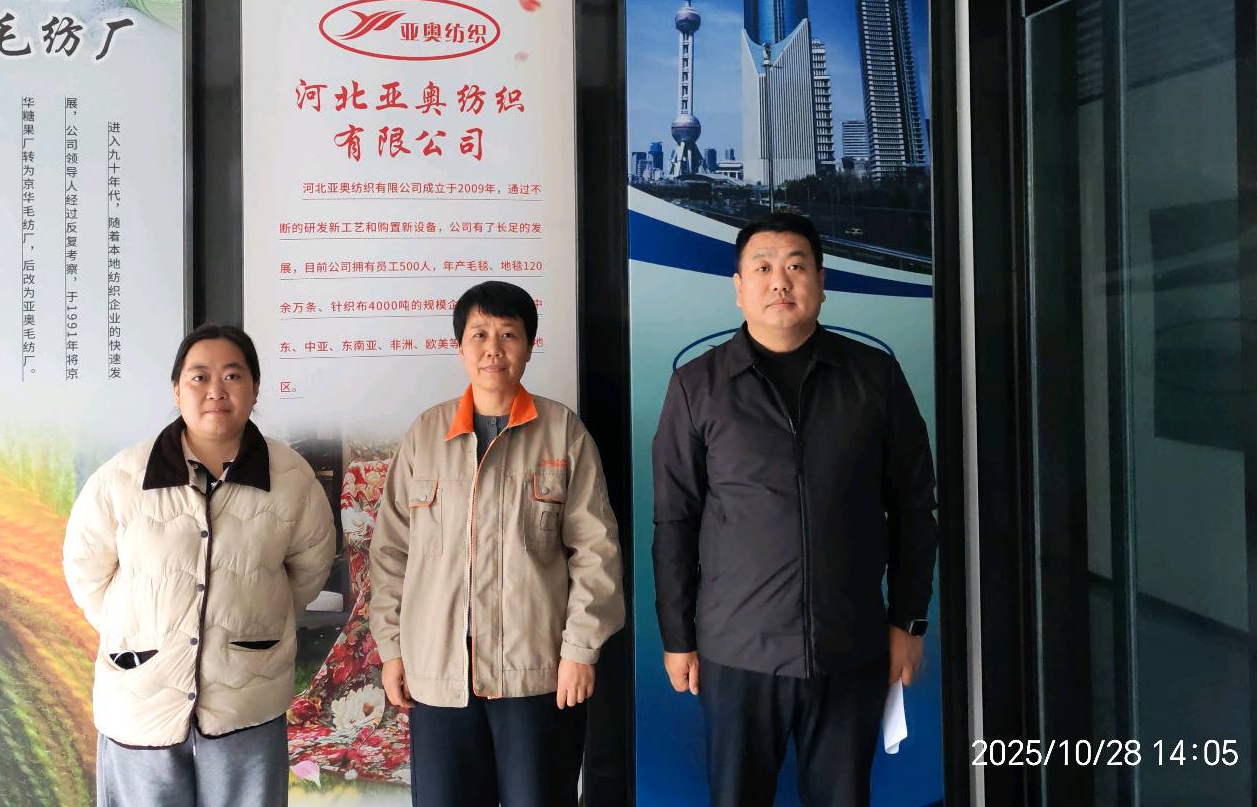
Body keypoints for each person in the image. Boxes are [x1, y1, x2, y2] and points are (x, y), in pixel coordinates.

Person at [652, 214, 937, 807]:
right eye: (762, 267)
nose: (780, 280)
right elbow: (675, 521)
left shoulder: (874, 377)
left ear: (821, 282)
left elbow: (915, 507)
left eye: (796, 266)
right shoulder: (697, 387)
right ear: (738, 287)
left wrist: (909, 622)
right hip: (737, 652)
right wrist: (677, 637)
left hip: (851, 644)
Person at [368, 280, 625, 807]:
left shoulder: (562, 432)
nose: (493, 348)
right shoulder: (426, 435)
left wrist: (580, 651)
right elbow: (391, 552)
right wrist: (392, 650)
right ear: (460, 346)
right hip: (439, 672)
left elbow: (596, 551)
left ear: (528, 346)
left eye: (509, 334)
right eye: (479, 334)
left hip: (536, 671)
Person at [63, 324, 337, 807]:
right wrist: (144, 631)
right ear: (177, 390)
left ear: (255, 388)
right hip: (141, 698)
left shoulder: (291, 478)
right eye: (199, 377)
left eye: (232, 376)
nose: (216, 390)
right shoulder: (121, 478)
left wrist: (250, 619)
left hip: (245, 701)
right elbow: (87, 573)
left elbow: (308, 571)